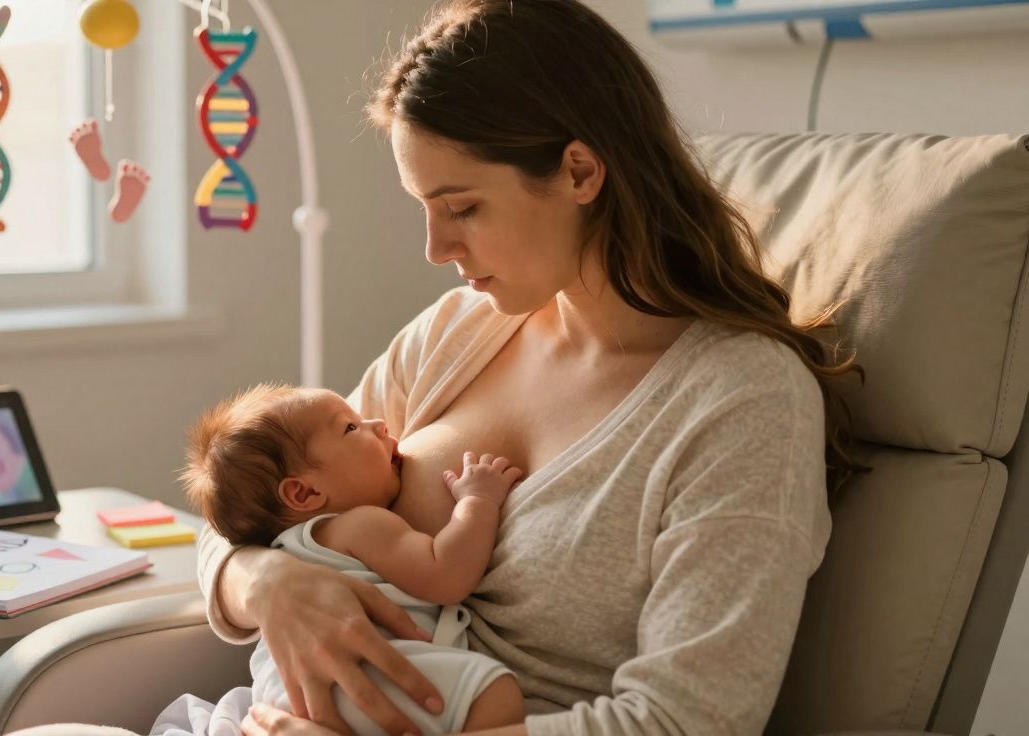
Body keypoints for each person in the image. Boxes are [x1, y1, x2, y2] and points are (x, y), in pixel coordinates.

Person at [199, 1, 867, 735]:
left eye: (462, 208)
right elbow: (250, 500)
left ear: (579, 171)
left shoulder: (744, 402)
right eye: (425, 209)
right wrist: (268, 582)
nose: (436, 248)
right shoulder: (457, 331)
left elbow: (686, 721)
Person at [155, 383, 526, 734]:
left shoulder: (281, 547)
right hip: (357, 684)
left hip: (282, 694)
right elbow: (447, 575)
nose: (379, 424)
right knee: (494, 693)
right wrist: (478, 501)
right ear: (303, 493)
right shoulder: (360, 525)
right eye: (351, 427)